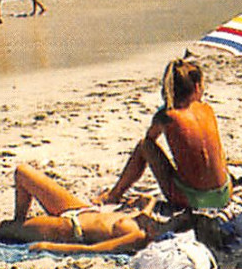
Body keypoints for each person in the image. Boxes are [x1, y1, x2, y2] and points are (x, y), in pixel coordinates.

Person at [0, 164, 169, 255]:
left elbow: (95, 250)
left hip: (69, 230)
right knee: (23, 173)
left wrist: (52, 247)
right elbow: (148, 203)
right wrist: (144, 202)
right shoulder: (146, 220)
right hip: (80, 209)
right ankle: (19, 224)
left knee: (2, 229)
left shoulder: (138, 236)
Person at [98, 58, 231, 212]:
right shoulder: (207, 109)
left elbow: (150, 139)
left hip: (193, 199)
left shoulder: (166, 116)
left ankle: (115, 194)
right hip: (224, 194)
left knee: (144, 146)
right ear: (196, 87)